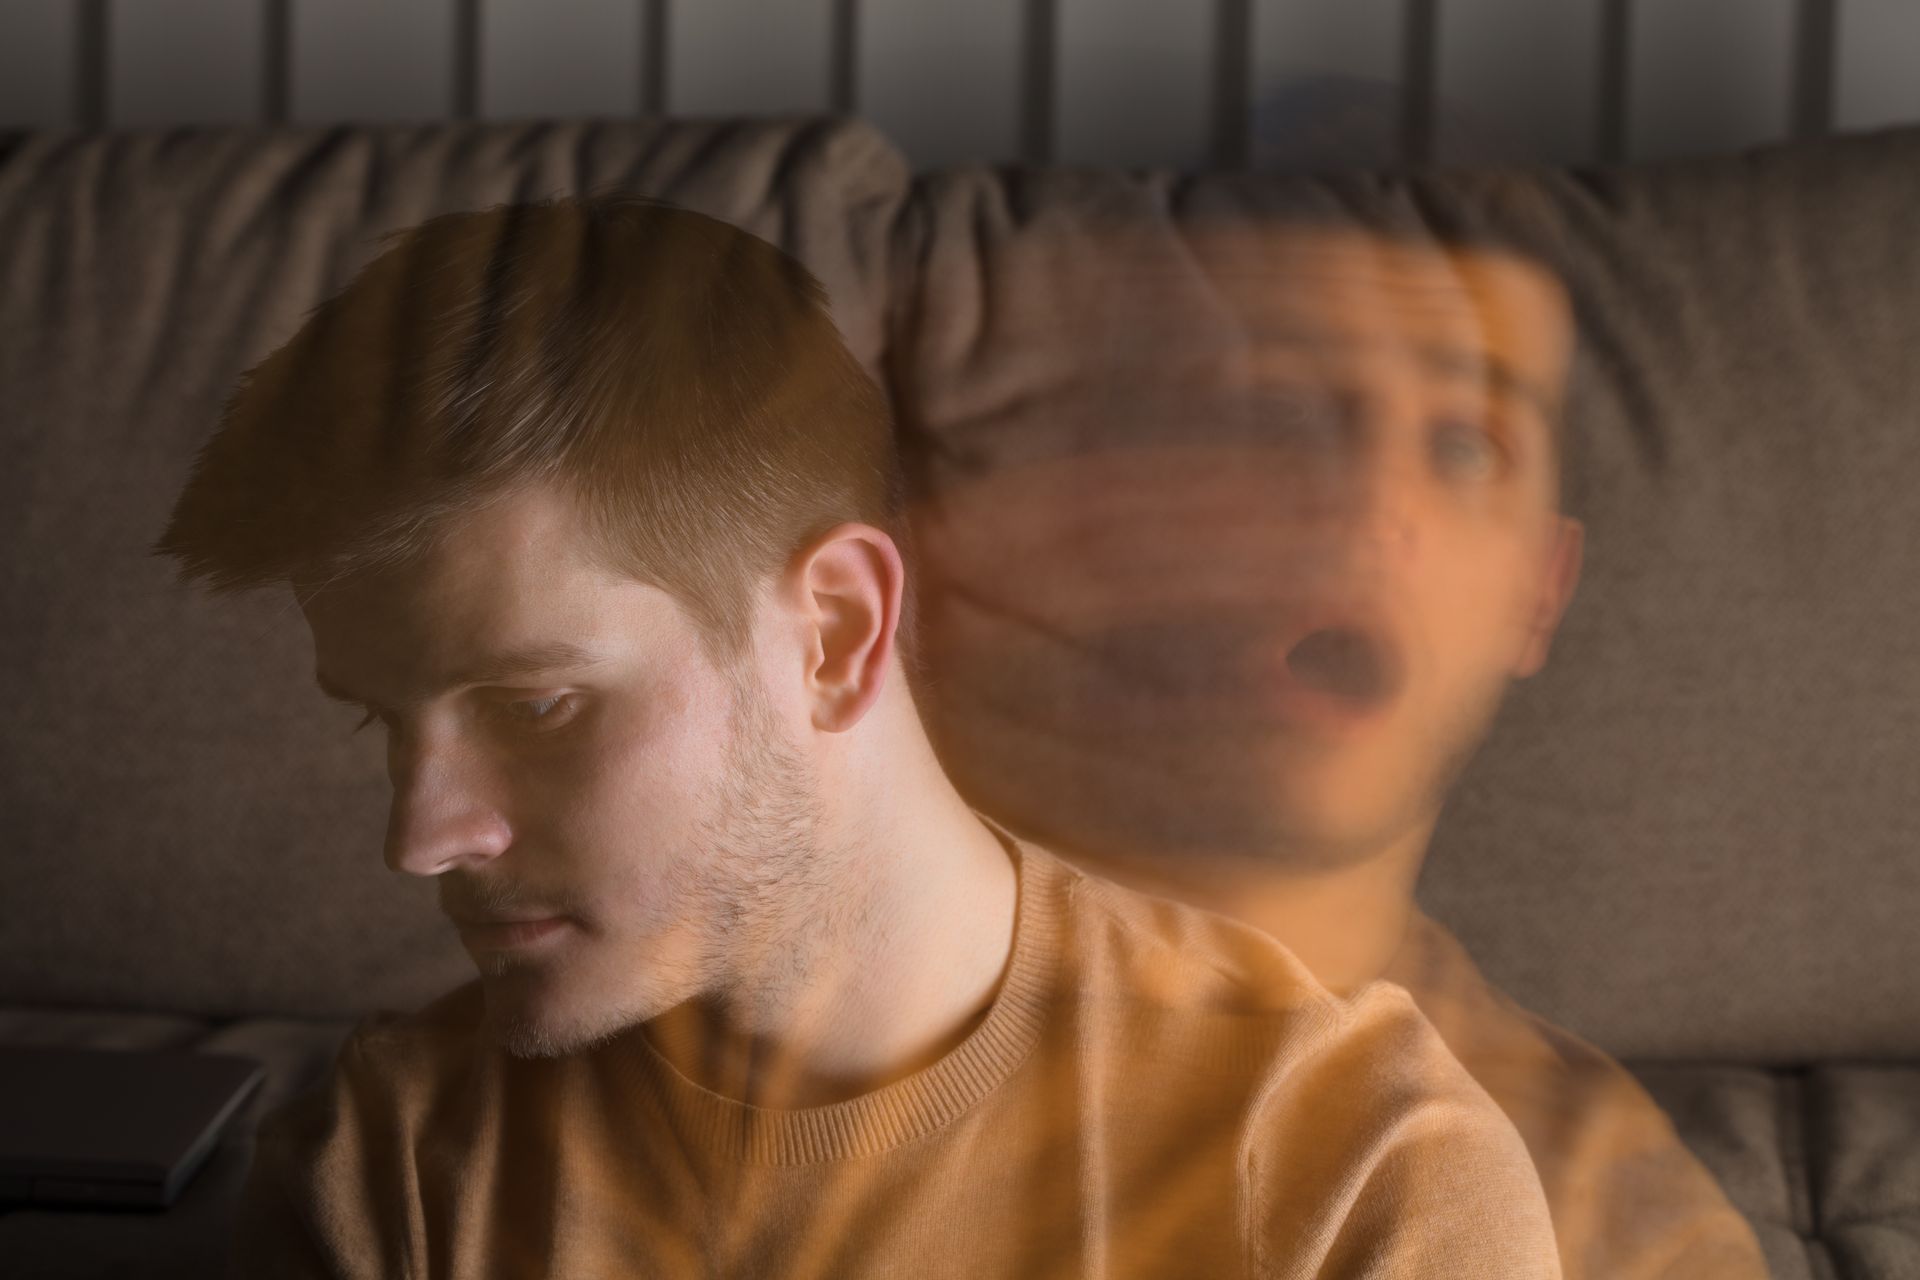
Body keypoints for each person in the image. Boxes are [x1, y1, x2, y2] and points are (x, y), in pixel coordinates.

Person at [158, 197, 1560, 1278]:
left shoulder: (1354, 1175)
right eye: (384, 720)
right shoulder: (390, 1173)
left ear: (833, 632)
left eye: (536, 706)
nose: (420, 837)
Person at [909, 219, 1770, 1278]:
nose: (1371, 503)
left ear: (1539, 593)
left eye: (1466, 445)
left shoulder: (1614, 1205)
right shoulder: (849, 986)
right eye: (1278, 419)